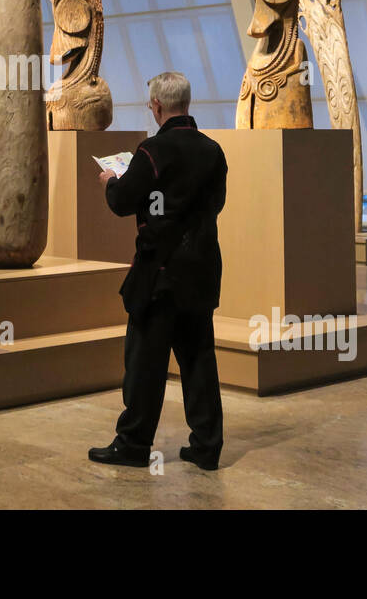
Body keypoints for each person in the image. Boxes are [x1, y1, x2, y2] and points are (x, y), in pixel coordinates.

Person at [89, 71, 227, 470]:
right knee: (199, 359)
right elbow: (215, 204)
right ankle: (206, 446)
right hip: (201, 269)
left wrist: (111, 180)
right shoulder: (213, 151)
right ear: (188, 102)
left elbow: (123, 201)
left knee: (146, 362)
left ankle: (133, 445)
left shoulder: (152, 151)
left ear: (157, 107)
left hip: (160, 272)